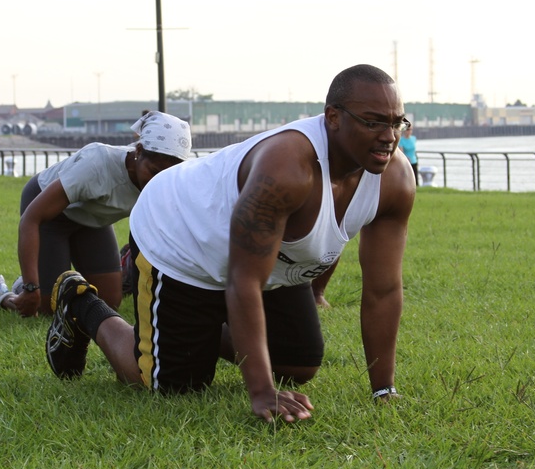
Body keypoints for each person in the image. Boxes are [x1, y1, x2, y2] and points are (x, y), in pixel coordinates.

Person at [44, 64, 416, 423]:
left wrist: (383, 390)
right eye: (373, 121)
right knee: (173, 384)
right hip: (180, 235)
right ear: (333, 117)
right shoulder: (288, 167)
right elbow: (243, 281)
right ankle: (80, 304)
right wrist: (261, 391)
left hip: (262, 261)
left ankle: (203, 331)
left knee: (298, 363)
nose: (389, 135)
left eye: (397, 122)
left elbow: (383, 290)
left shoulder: (394, 180)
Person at [0, 111, 192, 317]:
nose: (158, 181)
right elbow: (31, 220)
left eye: (167, 175)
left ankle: (47, 276)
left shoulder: (168, 182)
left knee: (108, 303)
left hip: (92, 221)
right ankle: (1, 294)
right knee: (49, 308)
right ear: (138, 151)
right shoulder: (97, 164)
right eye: (153, 171)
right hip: (52, 215)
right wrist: (30, 286)